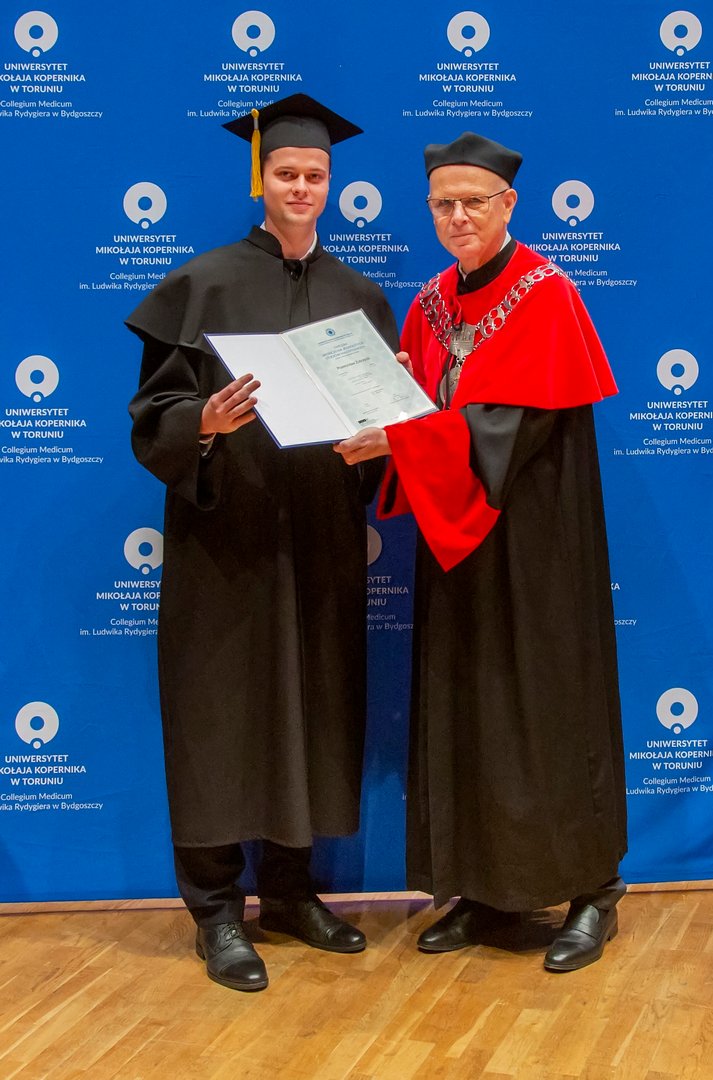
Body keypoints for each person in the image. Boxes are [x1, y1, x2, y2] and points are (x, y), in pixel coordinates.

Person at [335, 132, 627, 972]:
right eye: (443, 204)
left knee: (548, 704)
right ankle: (487, 889)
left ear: (509, 205)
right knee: (468, 705)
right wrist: (385, 408)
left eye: (474, 201)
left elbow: (512, 429)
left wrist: (405, 436)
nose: (458, 216)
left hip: (536, 544)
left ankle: (592, 892)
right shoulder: (430, 302)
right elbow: (421, 407)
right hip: (456, 543)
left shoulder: (547, 294)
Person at [126, 94, 398, 992]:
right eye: (287, 173)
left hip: (320, 540)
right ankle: (216, 912)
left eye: (316, 174)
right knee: (217, 714)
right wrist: (201, 421)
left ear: (333, 182)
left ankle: (289, 893)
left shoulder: (360, 297)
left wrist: (384, 436)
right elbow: (152, 416)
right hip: (225, 543)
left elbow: (385, 424)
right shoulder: (201, 284)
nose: (302, 187)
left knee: (311, 706)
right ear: (261, 178)